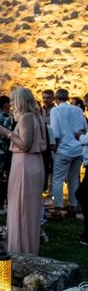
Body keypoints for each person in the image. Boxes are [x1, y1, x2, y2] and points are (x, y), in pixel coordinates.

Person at [0, 87, 48, 255]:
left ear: (21, 100)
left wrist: (6, 133)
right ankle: (25, 245)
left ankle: (19, 248)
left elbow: (25, 144)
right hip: (33, 162)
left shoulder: (26, 118)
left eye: (13, 100)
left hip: (25, 164)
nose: (11, 103)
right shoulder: (37, 117)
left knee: (21, 206)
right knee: (28, 207)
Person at [49, 88, 86, 218]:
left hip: (63, 149)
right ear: (68, 98)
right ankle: (73, 206)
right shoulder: (78, 110)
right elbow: (84, 129)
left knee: (58, 179)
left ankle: (57, 208)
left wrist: (54, 150)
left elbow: (55, 133)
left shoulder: (55, 111)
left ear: (56, 99)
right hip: (78, 149)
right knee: (74, 179)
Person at [0, 95, 14, 215]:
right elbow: (8, 134)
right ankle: (1, 205)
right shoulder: (7, 117)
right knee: (4, 179)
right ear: (5, 104)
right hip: (3, 152)